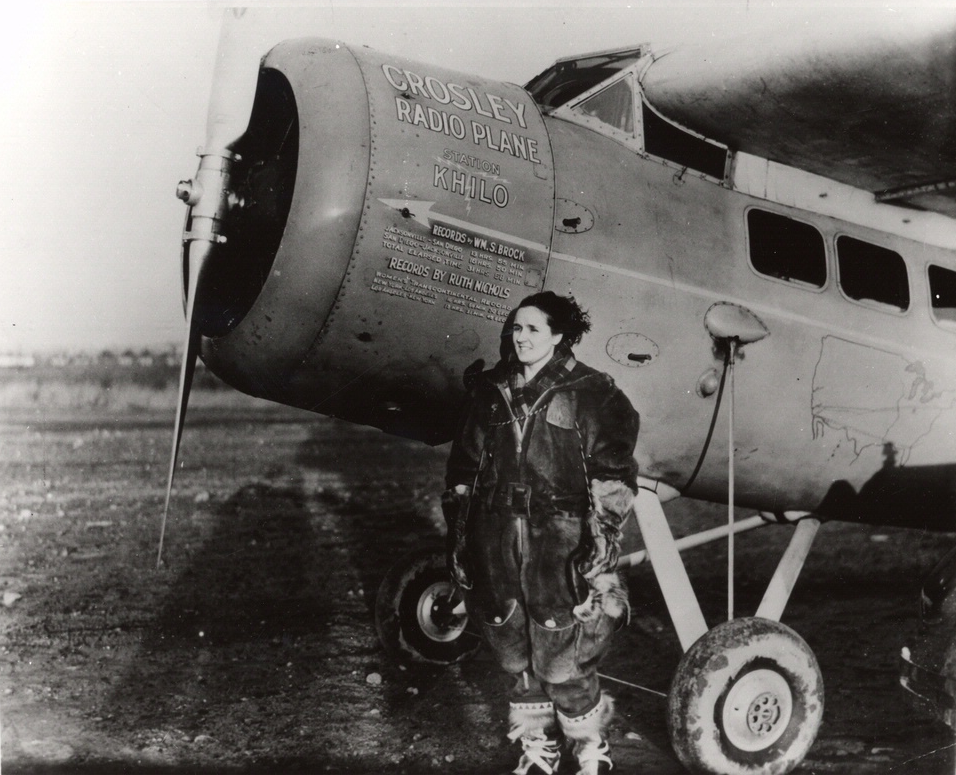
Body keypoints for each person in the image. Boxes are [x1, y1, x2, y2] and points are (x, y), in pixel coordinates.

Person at [443, 292, 640, 775]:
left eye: (533, 329)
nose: (522, 337)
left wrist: (600, 543)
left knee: (563, 653)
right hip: (496, 535)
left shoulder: (594, 392)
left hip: (560, 537)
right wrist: (462, 537)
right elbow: (464, 469)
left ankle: (590, 746)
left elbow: (613, 478)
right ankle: (537, 746)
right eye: (517, 328)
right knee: (513, 647)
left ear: (559, 335)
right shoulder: (491, 391)